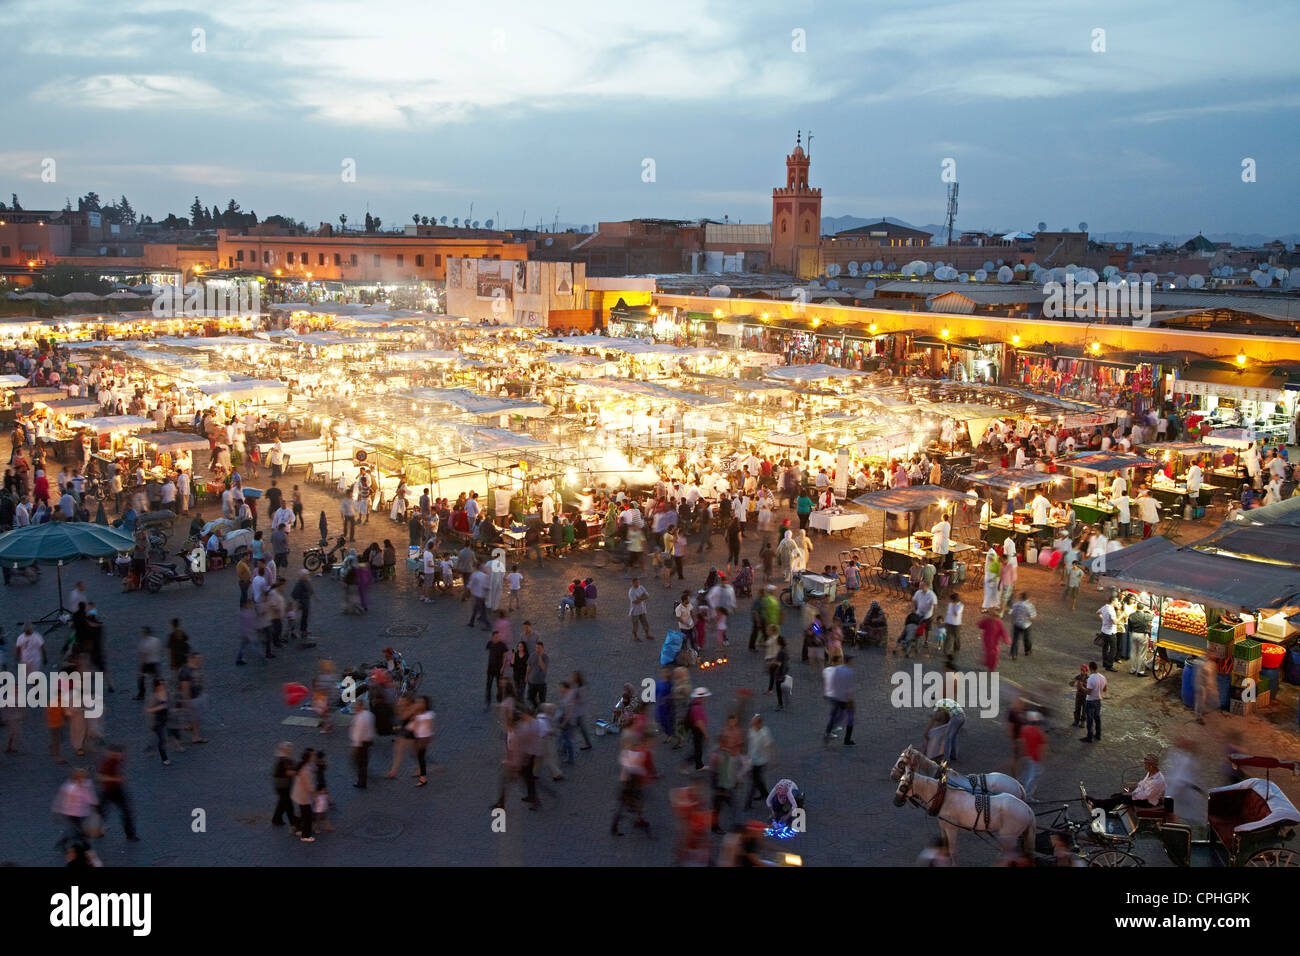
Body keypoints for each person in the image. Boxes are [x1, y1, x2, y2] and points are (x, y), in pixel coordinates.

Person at [823, 655, 855, 745]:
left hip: (835, 696)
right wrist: (850, 700)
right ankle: (831, 730)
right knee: (841, 715)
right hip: (842, 698)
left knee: (836, 714)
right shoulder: (849, 672)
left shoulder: (837, 669)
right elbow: (848, 687)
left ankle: (830, 730)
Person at [1081, 661, 1106, 743]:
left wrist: (1081, 688)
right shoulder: (1102, 677)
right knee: (1097, 718)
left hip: (1090, 701)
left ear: (1090, 668)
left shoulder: (1091, 679)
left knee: (1090, 719)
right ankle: (1098, 734)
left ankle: (1089, 737)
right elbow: (1105, 689)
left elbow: (1089, 692)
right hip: (1098, 700)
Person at [1008, 592, 1036, 659]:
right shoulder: (1030, 605)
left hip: (1017, 624)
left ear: (1021, 597)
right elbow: (1033, 616)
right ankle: (1027, 650)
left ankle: (1014, 654)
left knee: (1015, 640)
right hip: (1026, 624)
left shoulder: (1016, 605)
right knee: (1027, 639)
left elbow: (1012, 613)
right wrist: (1030, 621)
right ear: (1028, 598)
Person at [627, 577, 651, 643]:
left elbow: (647, 595)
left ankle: (647, 634)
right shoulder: (631, 591)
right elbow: (634, 602)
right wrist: (643, 597)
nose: (637, 584)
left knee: (645, 622)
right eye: (635, 583)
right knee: (635, 624)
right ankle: (635, 637)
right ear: (632, 583)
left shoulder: (641, 587)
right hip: (635, 611)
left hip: (642, 609)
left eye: (638, 582)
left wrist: (639, 598)